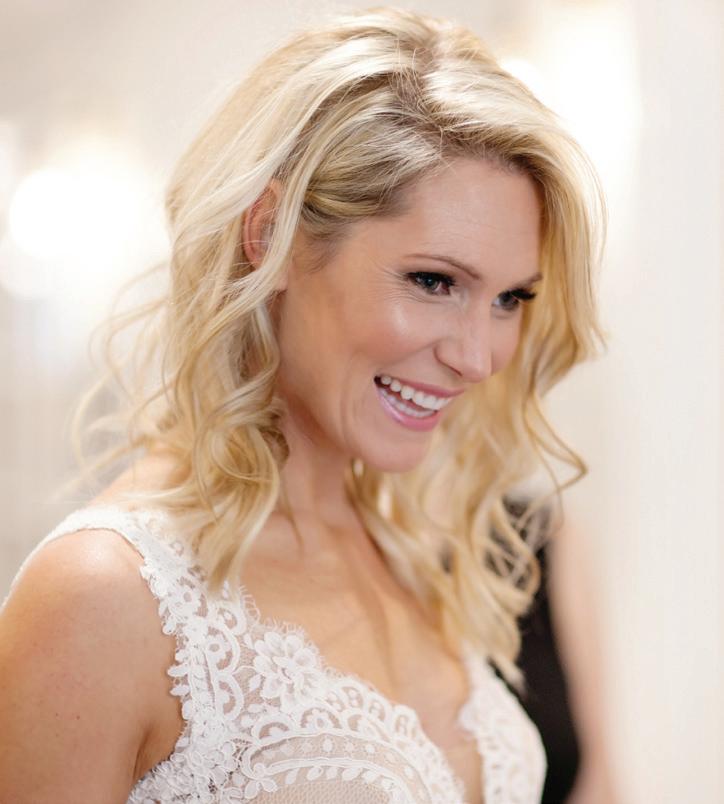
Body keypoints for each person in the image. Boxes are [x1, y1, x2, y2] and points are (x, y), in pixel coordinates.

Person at [0, 7, 605, 803]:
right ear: (272, 236)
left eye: (509, 299)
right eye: (433, 282)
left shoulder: (414, 550)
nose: (478, 355)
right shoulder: (103, 593)